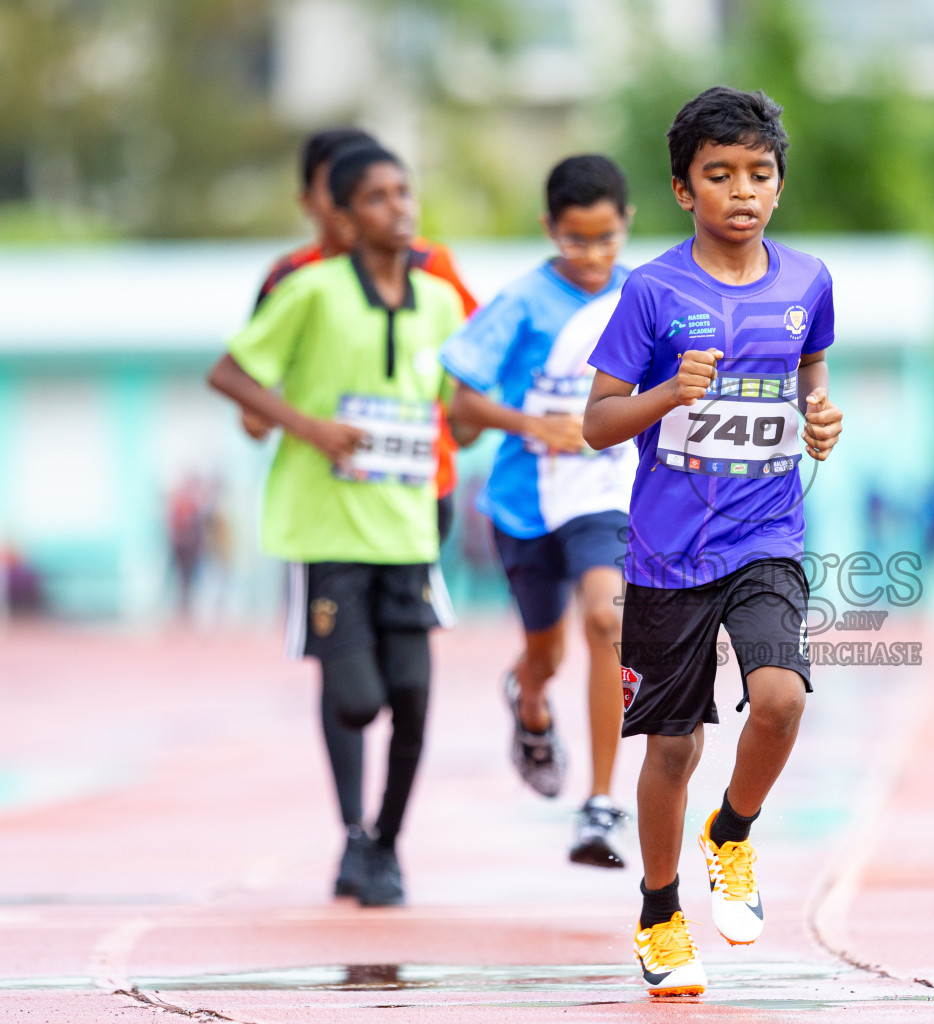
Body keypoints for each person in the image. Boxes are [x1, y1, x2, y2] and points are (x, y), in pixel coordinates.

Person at [583, 87, 844, 997]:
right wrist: (666, 397)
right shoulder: (652, 291)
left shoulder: (807, 281)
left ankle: (731, 832)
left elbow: (810, 370)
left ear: (778, 185)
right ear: (683, 189)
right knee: (672, 749)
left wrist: (817, 415)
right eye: (720, 175)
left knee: (780, 699)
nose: (743, 191)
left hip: (768, 531)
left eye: (759, 175)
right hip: (666, 552)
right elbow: (596, 421)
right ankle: (660, 912)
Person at [207, 143, 465, 907]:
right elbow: (230, 372)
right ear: (342, 216)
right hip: (324, 530)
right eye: (380, 197)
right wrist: (306, 426)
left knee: (414, 698)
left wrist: (529, 423)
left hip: (408, 529)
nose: (400, 207)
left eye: (405, 191)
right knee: (357, 698)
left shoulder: (442, 299)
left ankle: (383, 845)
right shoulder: (309, 289)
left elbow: (459, 401)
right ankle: (352, 828)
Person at [439, 155, 637, 868]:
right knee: (547, 653)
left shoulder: (640, 300)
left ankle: (602, 804)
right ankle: (527, 702)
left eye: (606, 239)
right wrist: (533, 423)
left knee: (608, 618)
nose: (591, 256)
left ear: (628, 225)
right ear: (550, 229)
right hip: (525, 505)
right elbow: (460, 406)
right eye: (575, 240)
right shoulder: (520, 302)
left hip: (605, 496)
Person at [246, 127, 478, 541]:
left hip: (419, 491)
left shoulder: (432, 270)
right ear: (312, 202)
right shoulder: (295, 281)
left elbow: (474, 369)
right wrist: (306, 422)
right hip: (327, 507)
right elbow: (252, 412)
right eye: (341, 187)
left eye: (396, 191)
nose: (388, 206)